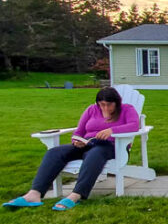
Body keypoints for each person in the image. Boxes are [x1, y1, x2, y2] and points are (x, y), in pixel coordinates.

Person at [3, 87, 140, 211]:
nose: (105, 108)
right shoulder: (92, 109)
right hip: (86, 144)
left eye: (109, 104)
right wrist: (76, 140)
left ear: (117, 102)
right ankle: (34, 194)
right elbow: (79, 131)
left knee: (94, 154)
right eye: (102, 104)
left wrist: (111, 130)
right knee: (54, 152)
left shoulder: (127, 109)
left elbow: (134, 125)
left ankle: (76, 195)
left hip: (109, 146)